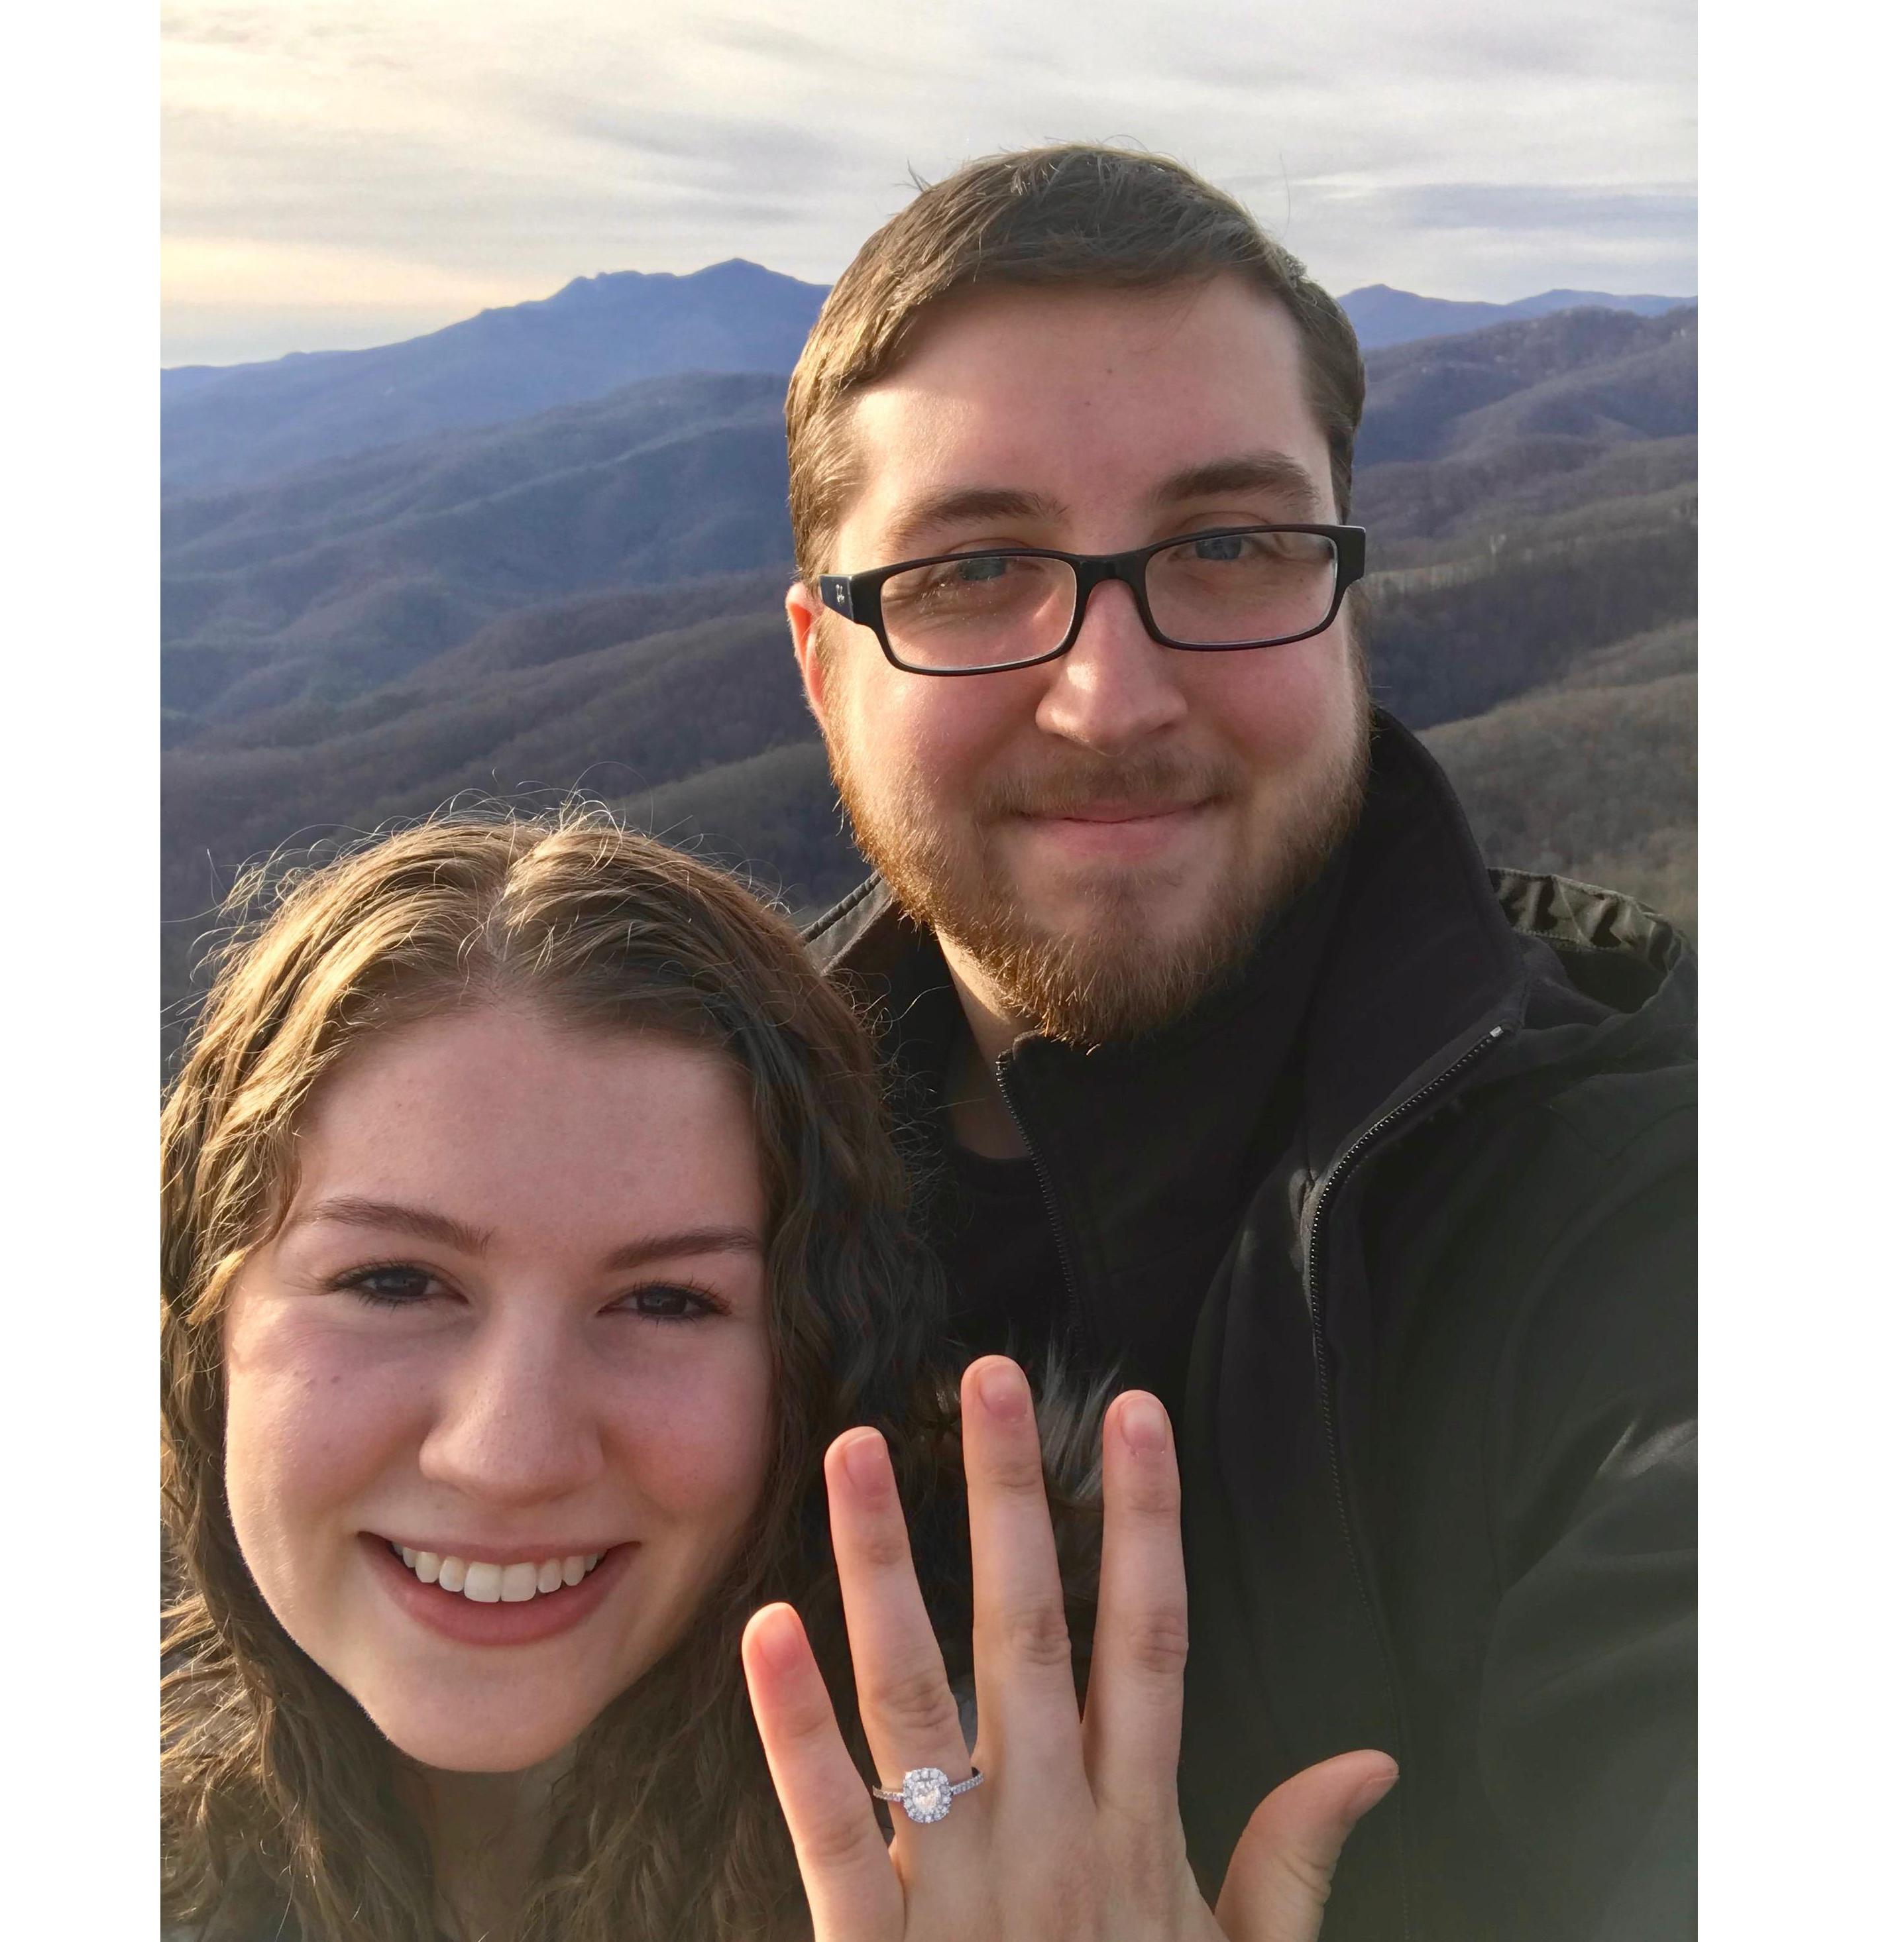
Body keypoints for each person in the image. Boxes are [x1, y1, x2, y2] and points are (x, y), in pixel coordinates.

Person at [783, 144, 1695, 1941]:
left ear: (1344, 602)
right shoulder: (670, 1224)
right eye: (974, 569)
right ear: (821, 664)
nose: (1112, 697)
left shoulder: (1650, 1193)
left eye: (1225, 546)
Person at [161, 809, 1391, 1942]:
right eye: (394, 1282)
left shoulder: (1076, 1863)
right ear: (202, 1326)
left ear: (804, 1371)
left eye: (665, 1301)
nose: (509, 1452)